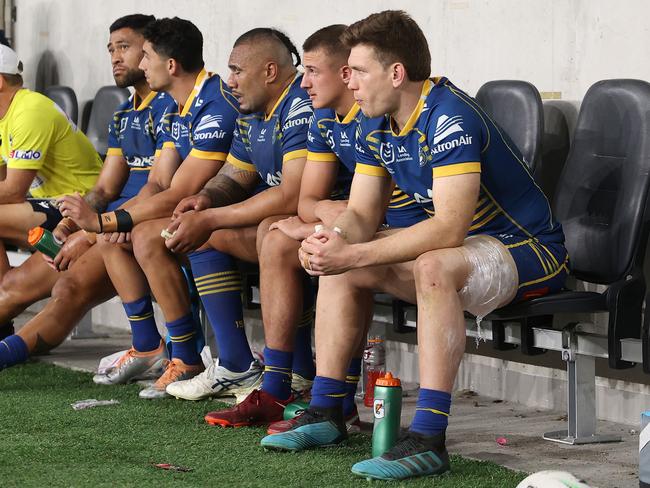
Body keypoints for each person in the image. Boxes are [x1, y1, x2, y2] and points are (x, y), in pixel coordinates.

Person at [260, 10, 569, 481]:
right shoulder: (374, 122)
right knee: (339, 261)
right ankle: (327, 411)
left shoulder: (450, 117)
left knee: (431, 265)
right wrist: (333, 241)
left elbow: (448, 227)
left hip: (528, 249)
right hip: (462, 251)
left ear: (396, 73)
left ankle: (428, 437)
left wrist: (354, 251)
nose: (352, 83)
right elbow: (361, 216)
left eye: (359, 71)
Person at [204, 24, 427, 433]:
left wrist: (338, 220)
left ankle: (337, 397)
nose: (302, 83)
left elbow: (383, 210)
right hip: (365, 229)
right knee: (275, 233)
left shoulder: (379, 114)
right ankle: (277, 386)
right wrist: (334, 213)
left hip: (409, 236)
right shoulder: (325, 117)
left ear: (347, 74)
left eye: (311, 72)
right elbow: (307, 201)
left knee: (337, 259)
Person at [62, 17, 240, 399]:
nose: (141, 66)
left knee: (142, 234)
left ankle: (191, 356)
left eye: (145, 57)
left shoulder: (214, 105)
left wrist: (106, 220)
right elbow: (158, 184)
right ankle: (151, 347)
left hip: (224, 214)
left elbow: (182, 191)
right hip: (194, 210)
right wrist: (112, 223)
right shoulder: (178, 105)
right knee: (116, 238)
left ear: (170, 65)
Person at [0, 14, 176, 371]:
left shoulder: (173, 107)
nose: (115, 57)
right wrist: (70, 226)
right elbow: (106, 188)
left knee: (69, 290)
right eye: (111, 48)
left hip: (134, 225)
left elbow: (160, 189)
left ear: (151, 52)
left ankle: (7, 354)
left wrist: (92, 229)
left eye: (124, 47)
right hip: (101, 221)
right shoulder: (123, 113)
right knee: (13, 287)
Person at [155, 28, 315, 413]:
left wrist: (210, 216)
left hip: (324, 226)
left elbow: (290, 195)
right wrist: (204, 199)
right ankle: (235, 364)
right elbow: (234, 175)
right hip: (294, 228)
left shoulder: (300, 106)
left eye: (237, 70)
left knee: (270, 230)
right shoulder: (254, 111)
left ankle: (300, 368)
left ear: (270, 72)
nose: (230, 81)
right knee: (206, 236)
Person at [0, 44, 102, 281]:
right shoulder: (4, 117)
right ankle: (3, 305)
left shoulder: (29, 110)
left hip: (83, 204)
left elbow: (13, 191)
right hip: (48, 203)